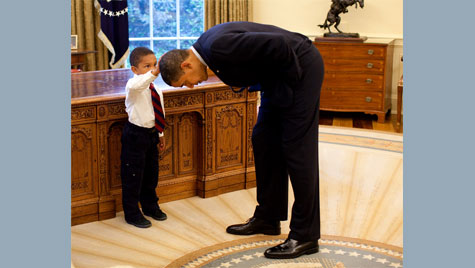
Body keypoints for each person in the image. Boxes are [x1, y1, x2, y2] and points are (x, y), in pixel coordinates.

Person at [159, 21, 324, 259]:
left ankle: (305, 236)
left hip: (300, 70)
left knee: (298, 150)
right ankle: (268, 218)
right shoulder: (209, 50)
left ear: (186, 64)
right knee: (264, 140)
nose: (191, 85)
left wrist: (291, 90)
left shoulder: (218, 47)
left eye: (185, 81)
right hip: (279, 78)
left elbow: (281, 44)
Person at [120, 47, 168, 228]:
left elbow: (159, 110)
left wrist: (160, 133)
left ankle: (150, 206)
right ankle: (132, 213)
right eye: (146, 66)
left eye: (154, 65)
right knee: (133, 176)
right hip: (135, 135)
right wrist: (155, 72)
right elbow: (137, 84)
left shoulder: (155, 88)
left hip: (151, 134)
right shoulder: (133, 86)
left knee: (151, 174)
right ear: (134, 69)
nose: (152, 69)